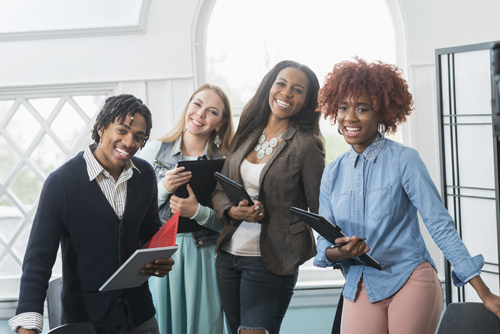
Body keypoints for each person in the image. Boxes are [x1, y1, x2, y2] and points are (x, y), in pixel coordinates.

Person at [314, 57, 500, 334]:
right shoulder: (332, 173)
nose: (349, 117)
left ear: (382, 114)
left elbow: (440, 226)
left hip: (410, 278)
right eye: (343, 108)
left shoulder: (404, 160)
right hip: (361, 282)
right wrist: (340, 252)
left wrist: (485, 294)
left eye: (362, 108)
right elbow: (323, 244)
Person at [9, 95, 175, 334]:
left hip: (141, 318)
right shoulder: (62, 184)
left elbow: (149, 236)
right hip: (86, 323)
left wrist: (159, 259)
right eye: (122, 130)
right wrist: (28, 325)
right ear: (101, 127)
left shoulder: (145, 176)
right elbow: (38, 259)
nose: (129, 142)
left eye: (139, 137)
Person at [212, 60, 325, 334]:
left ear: (308, 101)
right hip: (228, 257)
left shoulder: (307, 144)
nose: (286, 94)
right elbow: (219, 191)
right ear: (270, 87)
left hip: (271, 259)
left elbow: (320, 207)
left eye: (297, 90)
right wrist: (232, 211)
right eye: (281, 84)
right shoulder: (247, 133)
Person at [140, 83, 234, 334]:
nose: (201, 114)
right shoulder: (154, 150)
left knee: (205, 325)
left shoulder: (226, 161)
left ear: (221, 123)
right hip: (161, 254)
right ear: (188, 106)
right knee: (164, 325)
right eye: (197, 104)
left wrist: (197, 212)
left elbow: (231, 222)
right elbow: (133, 211)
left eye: (212, 111)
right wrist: (163, 187)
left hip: (205, 255)